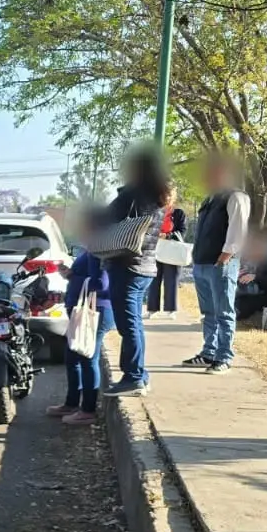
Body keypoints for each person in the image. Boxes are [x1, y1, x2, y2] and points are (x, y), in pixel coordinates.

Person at [102, 147, 173, 397]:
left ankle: (133, 376)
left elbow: (106, 219)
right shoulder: (157, 194)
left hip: (127, 265)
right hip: (144, 266)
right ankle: (139, 375)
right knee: (134, 323)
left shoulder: (133, 194)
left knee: (128, 324)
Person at [187, 152, 251, 375]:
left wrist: (225, 257)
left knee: (224, 311)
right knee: (209, 312)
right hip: (202, 263)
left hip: (221, 263)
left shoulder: (236, 196)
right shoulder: (209, 199)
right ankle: (208, 352)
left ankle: (224, 357)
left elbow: (237, 230)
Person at [48, 239, 116, 424]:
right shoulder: (91, 248)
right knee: (72, 357)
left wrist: (73, 277)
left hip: (95, 310)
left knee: (87, 358)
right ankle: (71, 404)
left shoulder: (98, 248)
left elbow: (101, 283)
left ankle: (88, 410)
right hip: (87, 310)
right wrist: (71, 275)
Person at [146, 203, 188, 318]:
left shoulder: (179, 213)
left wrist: (167, 235)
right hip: (154, 249)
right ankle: (152, 309)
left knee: (171, 280)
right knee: (154, 279)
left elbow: (182, 231)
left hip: (172, 251)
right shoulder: (154, 212)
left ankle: (171, 310)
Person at [234, 232, 267, 321]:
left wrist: (255, 277)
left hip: (259, 294)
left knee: (244, 305)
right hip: (241, 290)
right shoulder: (244, 258)